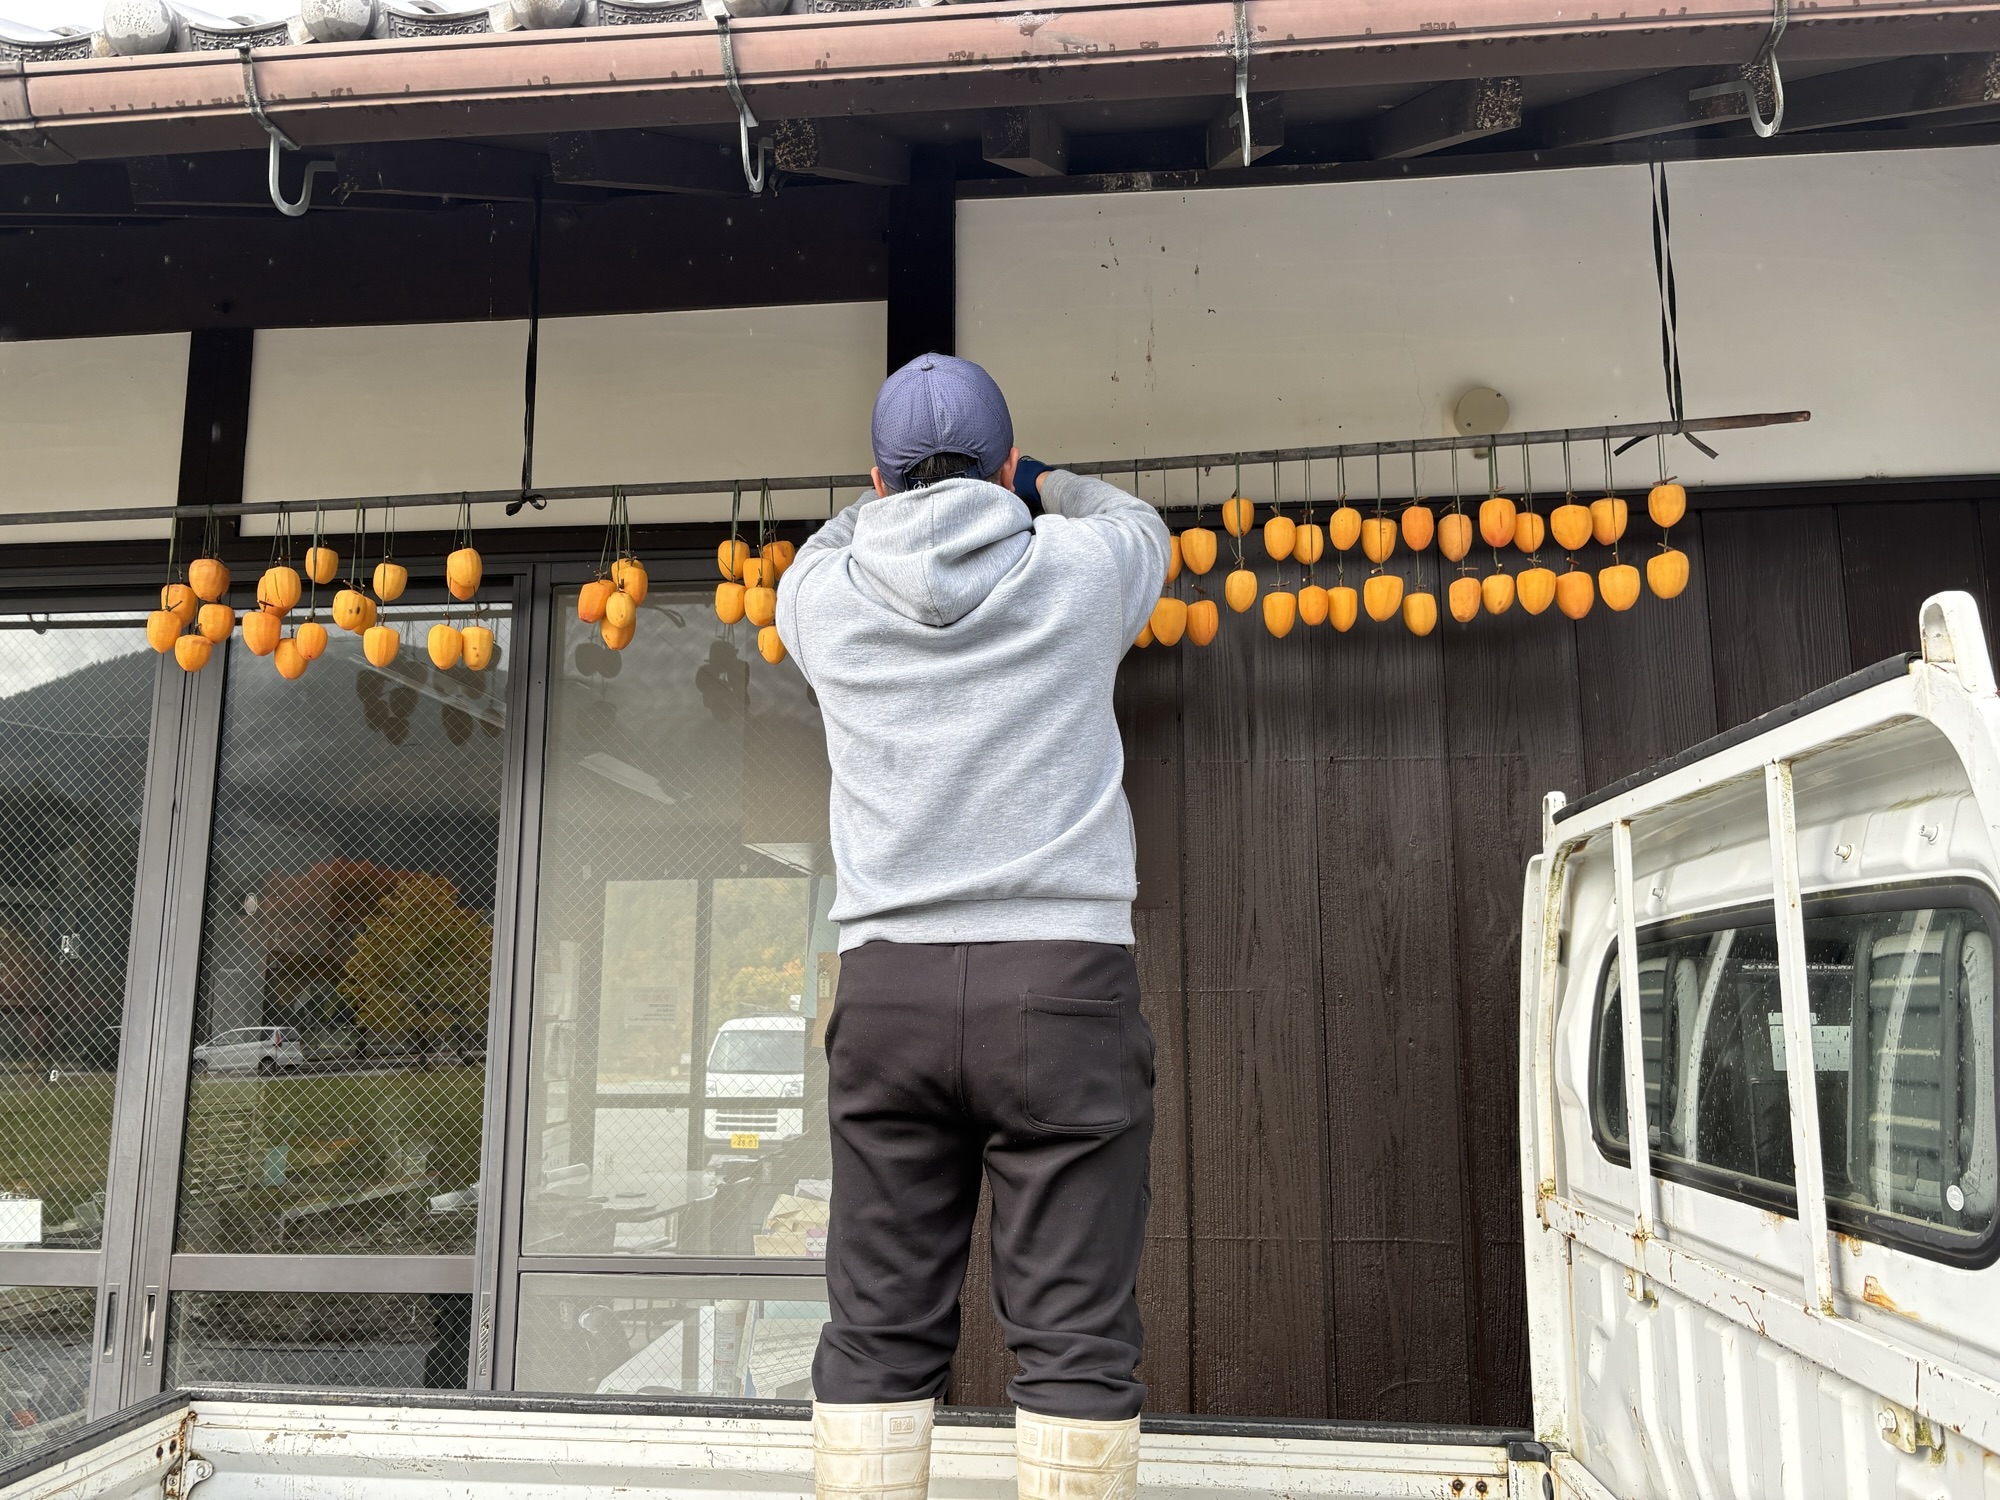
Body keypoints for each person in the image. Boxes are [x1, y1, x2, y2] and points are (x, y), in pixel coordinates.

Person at [775, 353, 1170, 1500]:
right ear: (1004, 468)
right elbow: (1136, 521)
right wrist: (1039, 482)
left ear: (875, 484)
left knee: (875, 1327)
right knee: (1073, 1337)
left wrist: (892, 502)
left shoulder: (821, 601)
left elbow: (820, 545)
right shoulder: (1083, 568)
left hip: (887, 991)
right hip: (1059, 986)